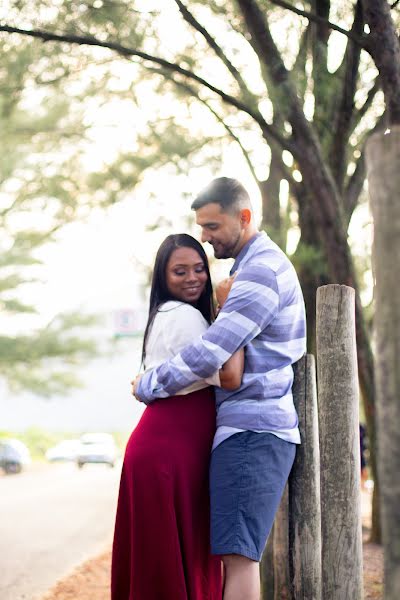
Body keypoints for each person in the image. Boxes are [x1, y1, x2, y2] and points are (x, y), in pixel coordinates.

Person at [134, 177, 307, 600]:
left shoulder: (259, 273)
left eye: (212, 227)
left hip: (252, 430)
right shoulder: (248, 269)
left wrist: (149, 384)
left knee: (238, 559)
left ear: (243, 218)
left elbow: (212, 352)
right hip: (249, 429)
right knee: (236, 556)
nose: (205, 237)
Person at [111, 233, 244, 600]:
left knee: (165, 559)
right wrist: (234, 312)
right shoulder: (185, 317)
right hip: (172, 452)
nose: (193, 278)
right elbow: (230, 375)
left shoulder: (168, 314)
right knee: (176, 558)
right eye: (179, 271)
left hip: (164, 447)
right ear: (163, 278)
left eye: (199, 268)